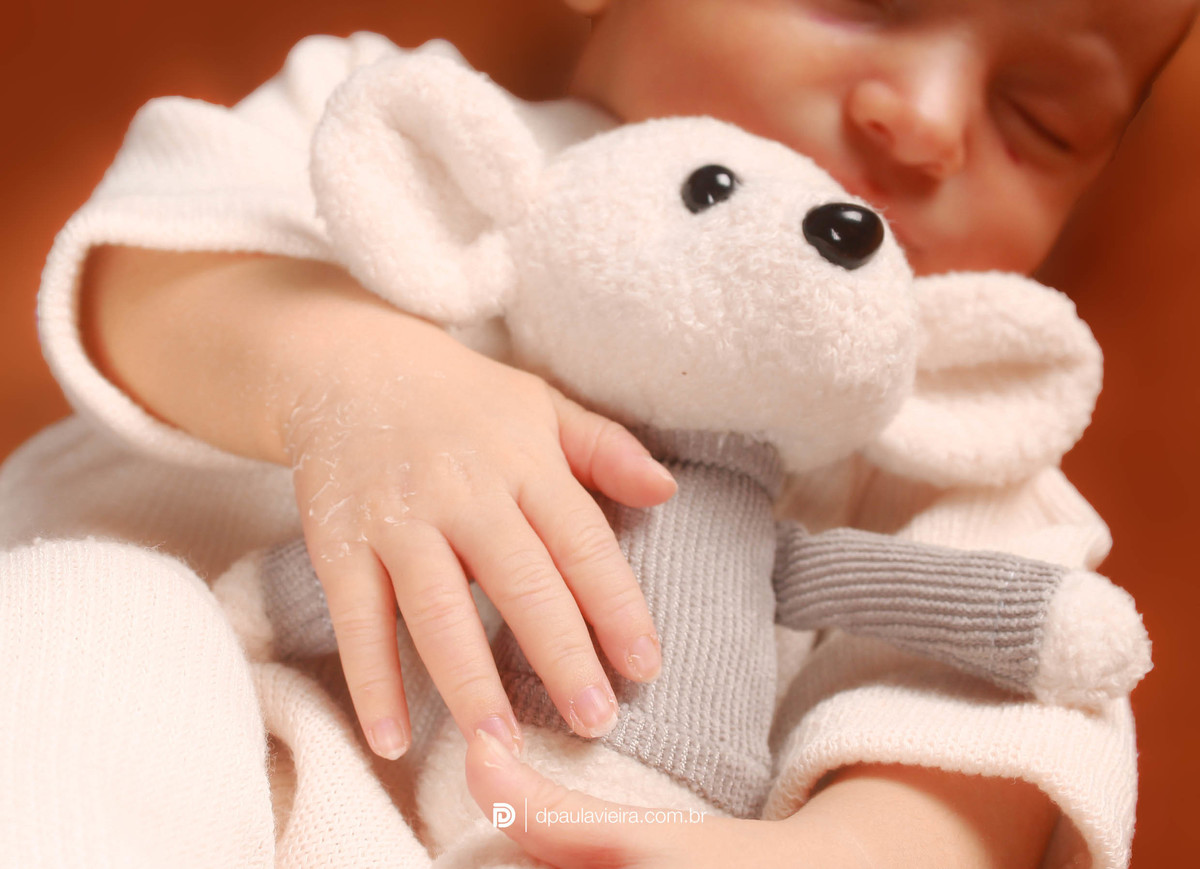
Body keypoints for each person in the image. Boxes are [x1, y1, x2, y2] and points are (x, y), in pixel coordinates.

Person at [1, 0, 1194, 866]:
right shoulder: (410, 130)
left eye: (1040, 120)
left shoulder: (932, 404)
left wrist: (848, 846)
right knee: (94, 605)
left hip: (556, 834)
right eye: (865, 0)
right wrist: (358, 377)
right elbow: (144, 277)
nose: (926, 121)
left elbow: (1017, 698)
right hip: (164, 745)